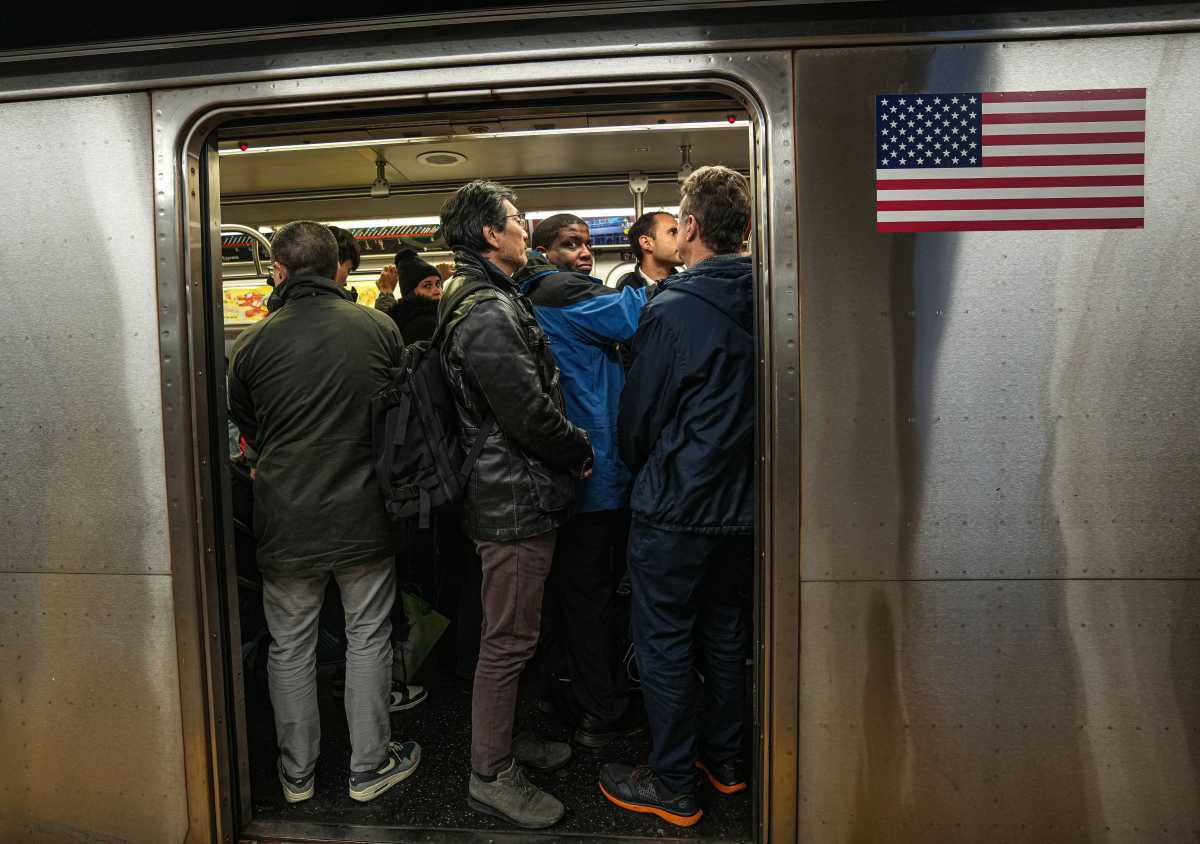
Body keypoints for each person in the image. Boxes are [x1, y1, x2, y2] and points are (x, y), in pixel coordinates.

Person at [227, 221, 421, 805]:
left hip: (285, 517)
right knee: (367, 634)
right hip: (364, 512)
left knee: (290, 644)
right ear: (340, 266)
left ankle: (297, 774)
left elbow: (248, 424)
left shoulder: (252, 343)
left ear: (279, 271)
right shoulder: (378, 327)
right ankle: (368, 768)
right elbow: (399, 409)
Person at [600, 166, 755, 827]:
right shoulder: (777, 294)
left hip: (677, 507)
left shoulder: (672, 307)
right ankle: (727, 765)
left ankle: (670, 784)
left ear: (690, 227)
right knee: (726, 631)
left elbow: (638, 420)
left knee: (663, 640)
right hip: (747, 506)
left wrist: (641, 463)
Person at [437, 181, 594, 829]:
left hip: (511, 490)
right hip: (513, 498)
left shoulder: (489, 296)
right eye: (515, 220)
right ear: (488, 236)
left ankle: (503, 742)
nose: (524, 228)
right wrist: (577, 446)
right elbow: (526, 411)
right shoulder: (486, 312)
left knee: (517, 633)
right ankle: (490, 774)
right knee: (508, 640)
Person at [515, 216, 648, 749]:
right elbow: (636, 316)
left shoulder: (537, 294)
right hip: (594, 470)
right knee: (588, 596)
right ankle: (602, 711)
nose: (584, 253)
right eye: (570, 245)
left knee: (576, 594)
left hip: (579, 466)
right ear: (544, 252)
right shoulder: (559, 291)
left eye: (588, 244)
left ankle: (568, 697)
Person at [385, 247, 443, 342]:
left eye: (438, 284)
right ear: (411, 293)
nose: (437, 291)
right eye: (427, 286)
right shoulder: (426, 325)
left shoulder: (400, 322)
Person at [615, 211, 680, 291]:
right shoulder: (624, 297)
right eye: (673, 233)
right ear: (646, 243)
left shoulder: (688, 286)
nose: (682, 238)